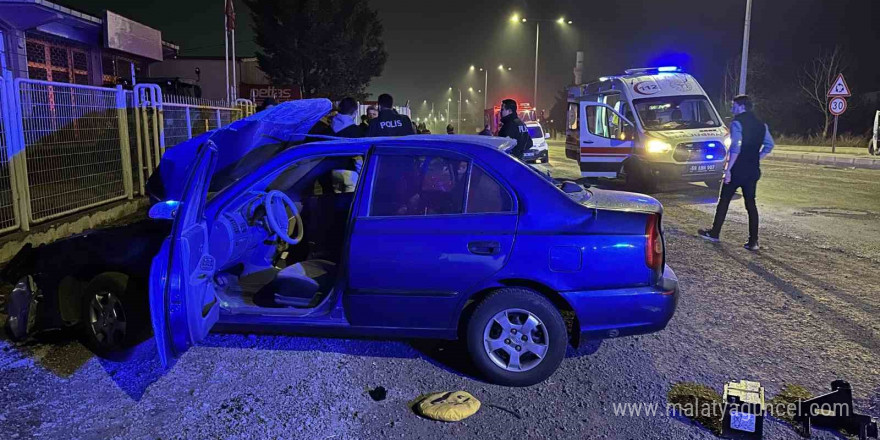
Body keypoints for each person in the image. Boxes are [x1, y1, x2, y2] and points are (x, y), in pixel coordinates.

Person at [699, 95, 775, 251]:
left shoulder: (737, 123)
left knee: (724, 200)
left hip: (737, 169)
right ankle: (753, 241)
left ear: (741, 106)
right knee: (751, 204)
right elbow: (769, 145)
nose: (732, 108)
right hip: (752, 170)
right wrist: (756, 157)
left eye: (733, 105)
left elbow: (735, 148)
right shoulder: (762, 125)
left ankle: (714, 233)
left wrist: (728, 170)